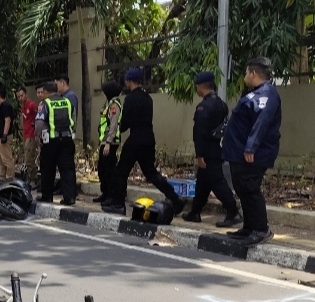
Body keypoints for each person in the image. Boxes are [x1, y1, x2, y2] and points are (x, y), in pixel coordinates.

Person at [103, 68, 183, 215]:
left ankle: (118, 203)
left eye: (126, 80)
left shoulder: (130, 99)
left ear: (130, 81)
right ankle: (175, 198)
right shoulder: (148, 98)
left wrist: (117, 130)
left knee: (121, 171)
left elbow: (126, 122)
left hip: (135, 139)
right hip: (148, 138)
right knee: (150, 172)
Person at [222, 57, 282, 245]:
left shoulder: (267, 95)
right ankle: (249, 227)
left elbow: (261, 123)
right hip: (239, 152)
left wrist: (251, 146)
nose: (245, 76)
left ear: (253, 73)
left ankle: (261, 229)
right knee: (241, 188)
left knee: (250, 188)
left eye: (246, 72)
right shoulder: (253, 93)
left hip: (254, 153)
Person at [182, 71, 242, 226]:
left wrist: (199, 154)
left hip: (208, 151)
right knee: (203, 182)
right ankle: (195, 212)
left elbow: (200, 132)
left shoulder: (204, 107)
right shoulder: (221, 104)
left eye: (197, 86)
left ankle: (233, 212)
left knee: (217, 182)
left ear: (201, 86)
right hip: (218, 148)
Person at [35, 80, 77, 205]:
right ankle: (69, 197)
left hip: (51, 142)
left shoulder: (45, 103)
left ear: (46, 92)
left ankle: (47, 196)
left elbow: (39, 123)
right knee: (67, 169)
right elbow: (73, 119)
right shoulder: (68, 102)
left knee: (47, 169)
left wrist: (38, 137)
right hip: (67, 140)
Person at [92, 80, 123, 204]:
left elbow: (113, 125)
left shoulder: (114, 105)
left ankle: (110, 195)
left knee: (108, 170)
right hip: (105, 142)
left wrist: (108, 142)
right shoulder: (109, 104)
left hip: (111, 143)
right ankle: (105, 193)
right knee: (102, 169)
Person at [0, 86, 16, 180]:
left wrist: (5, 135)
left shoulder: (5, 106)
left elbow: (7, 120)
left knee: (6, 158)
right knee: (0, 158)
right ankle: (2, 176)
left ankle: (10, 178)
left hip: (3, 136)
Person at [19, 87, 39, 186]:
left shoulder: (31, 105)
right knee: (27, 158)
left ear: (26, 94)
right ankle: (29, 177)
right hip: (25, 134)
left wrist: (35, 131)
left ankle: (33, 179)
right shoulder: (22, 106)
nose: (20, 98)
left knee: (29, 158)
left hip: (31, 134)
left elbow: (37, 118)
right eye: (18, 96)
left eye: (22, 95)